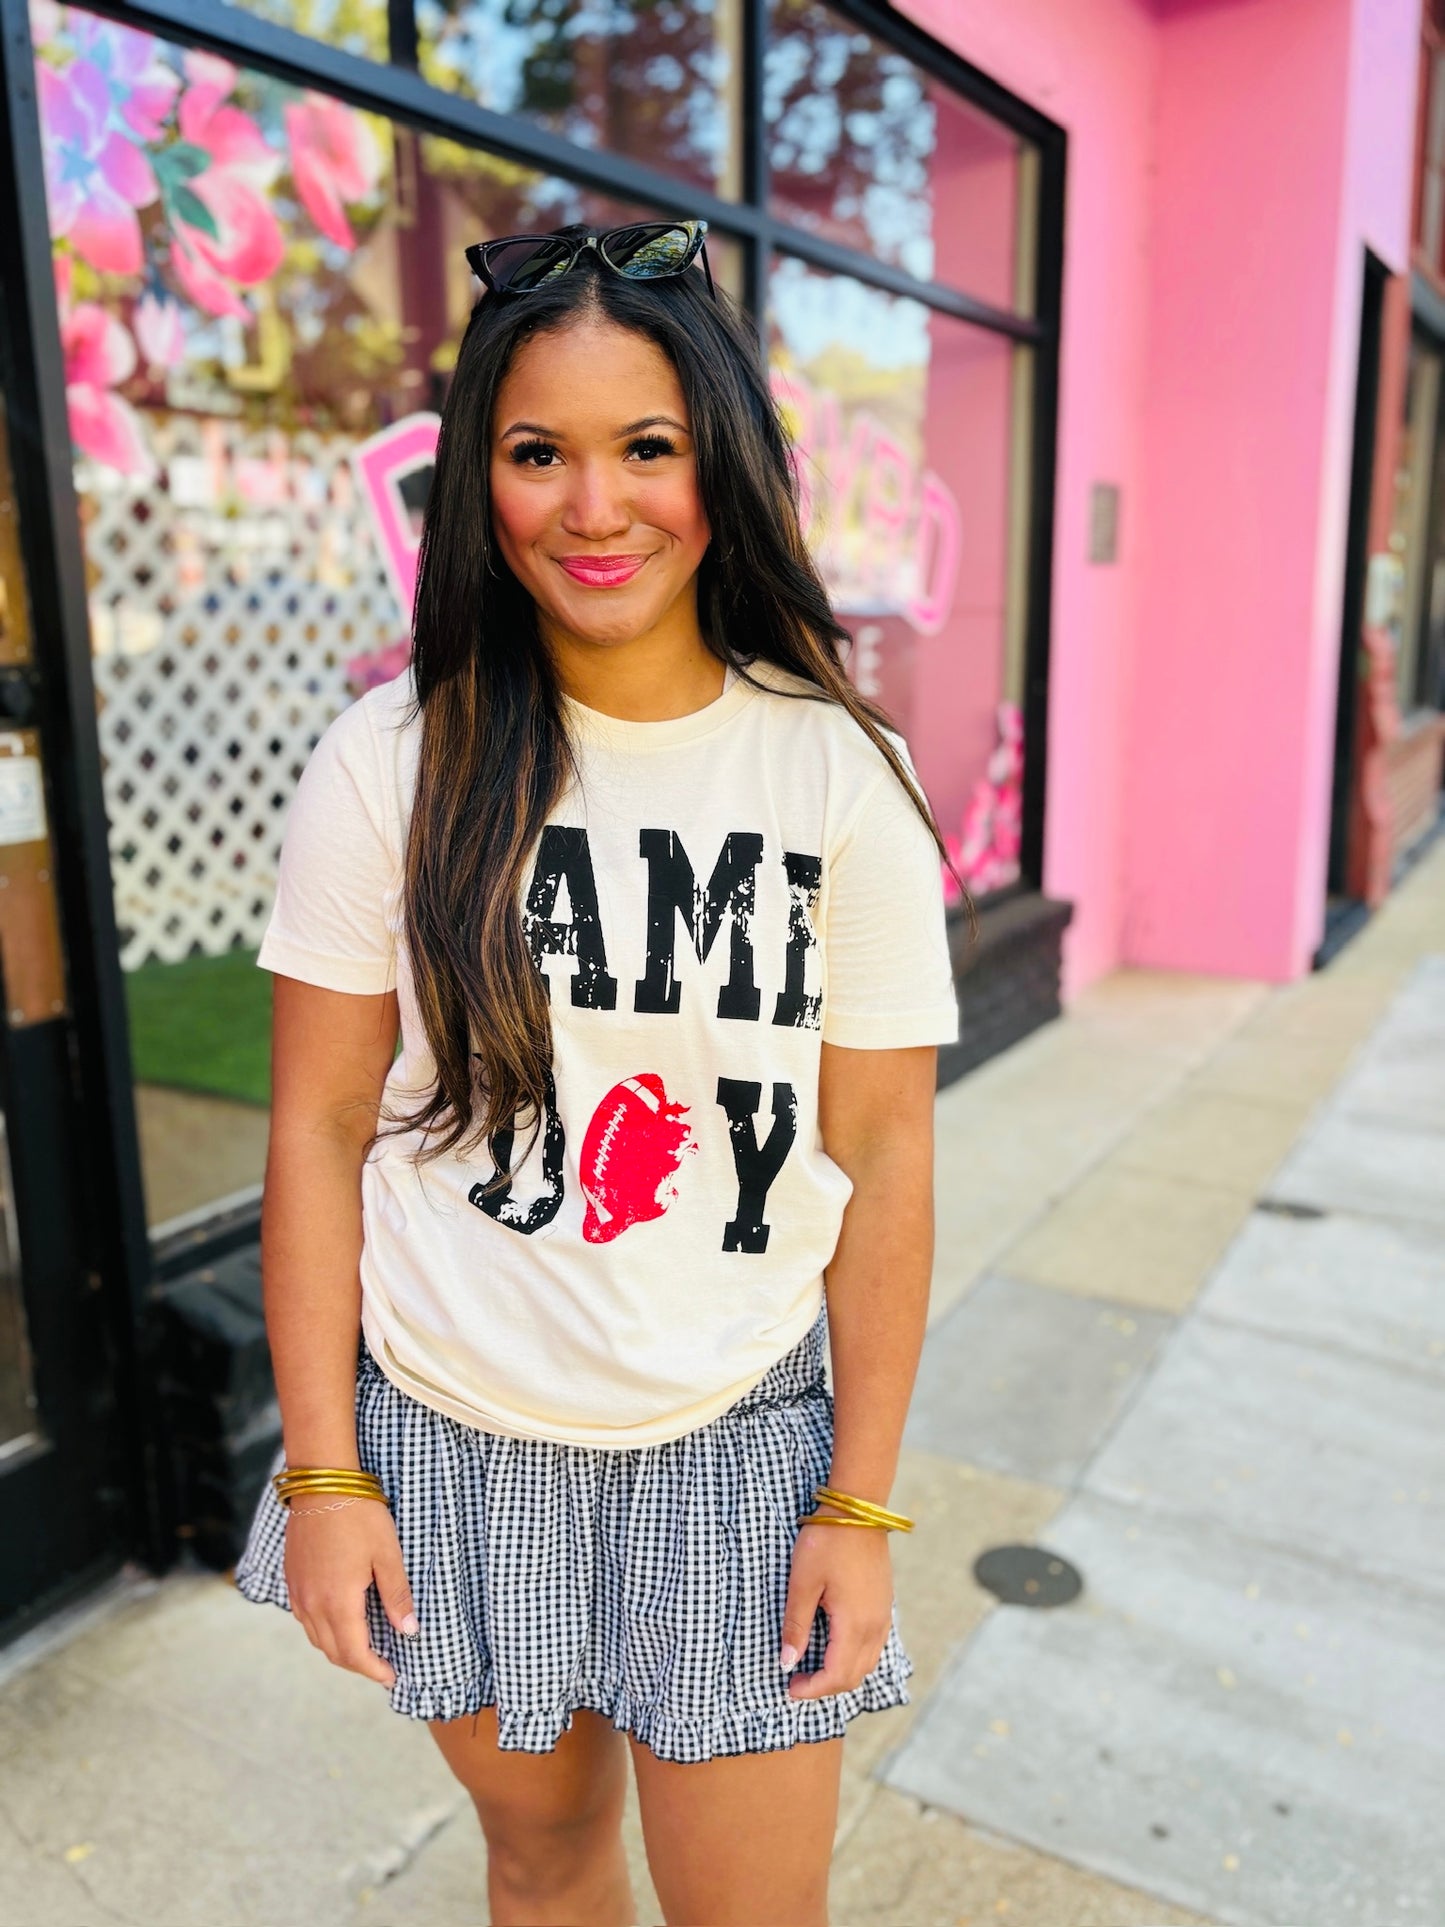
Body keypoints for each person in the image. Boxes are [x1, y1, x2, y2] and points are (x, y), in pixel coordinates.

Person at [234, 218, 960, 1927]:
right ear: (477, 481)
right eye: (534, 453)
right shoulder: (392, 763)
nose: (593, 506)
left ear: (723, 465)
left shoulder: (837, 775)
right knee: (543, 1864)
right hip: (452, 1436)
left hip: (735, 1436)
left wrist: (859, 1503)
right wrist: (325, 1473)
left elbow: (882, 1152)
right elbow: (319, 1127)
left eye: (647, 447)